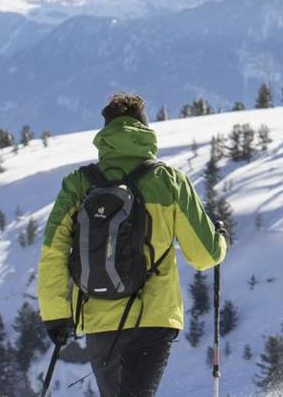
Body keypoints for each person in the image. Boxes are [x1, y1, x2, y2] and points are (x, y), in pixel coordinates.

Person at [38, 93, 226, 397]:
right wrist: (221, 238)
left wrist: (56, 315)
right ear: (145, 129)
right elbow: (205, 255)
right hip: (153, 316)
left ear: (106, 133)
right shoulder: (168, 181)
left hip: (98, 318)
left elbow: (53, 252)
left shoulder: (79, 184)